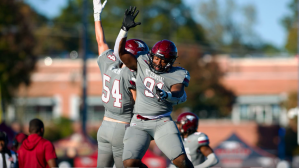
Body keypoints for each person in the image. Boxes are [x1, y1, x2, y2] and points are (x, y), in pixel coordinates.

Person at [115, 6, 193, 168]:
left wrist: (166, 95)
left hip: (162, 121)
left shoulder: (178, 73)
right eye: (156, 58)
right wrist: (124, 30)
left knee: (181, 161)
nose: (158, 63)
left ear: (171, 61)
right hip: (139, 121)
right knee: (130, 163)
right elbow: (121, 54)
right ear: (151, 56)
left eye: (163, 60)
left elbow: (178, 92)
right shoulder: (143, 61)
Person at [93, 1, 149, 168]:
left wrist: (97, 15)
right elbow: (139, 107)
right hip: (122, 128)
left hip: (104, 126)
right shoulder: (131, 74)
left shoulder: (109, 63)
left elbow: (100, 41)